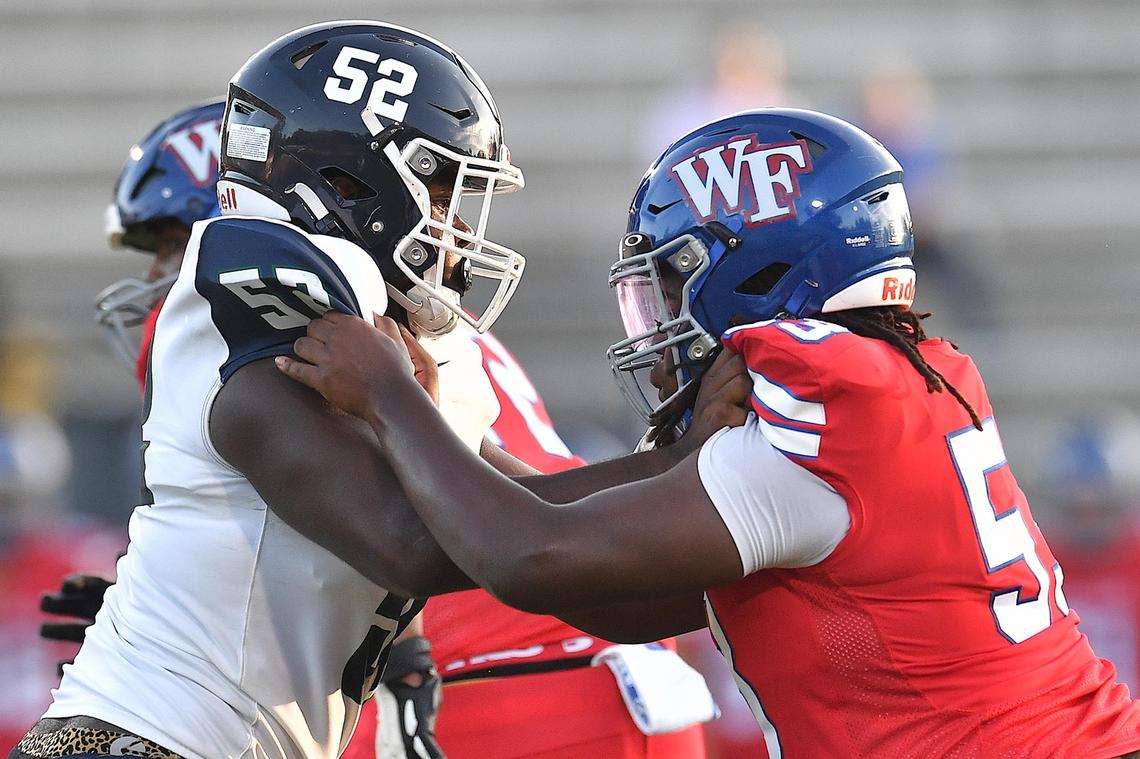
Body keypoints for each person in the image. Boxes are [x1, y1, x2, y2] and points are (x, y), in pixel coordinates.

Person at [276, 107, 1140, 758]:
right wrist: (457, 439)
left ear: (758, 277)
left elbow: (533, 557)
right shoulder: (905, 378)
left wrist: (391, 399)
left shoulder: (826, 394)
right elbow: (609, 596)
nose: (656, 331)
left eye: (668, 287)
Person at [21, 25, 730, 759]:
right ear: (350, 183)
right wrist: (393, 395)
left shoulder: (390, 344)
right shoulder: (252, 313)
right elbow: (418, 543)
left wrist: (699, 476)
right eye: (443, 191)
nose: (457, 227)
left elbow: (535, 511)